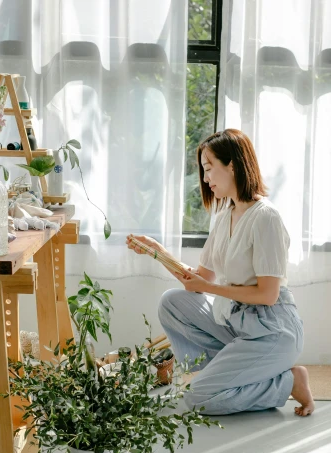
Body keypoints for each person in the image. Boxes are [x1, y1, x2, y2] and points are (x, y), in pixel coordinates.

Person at [126, 129, 314, 416]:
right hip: (235, 322)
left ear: (233, 166)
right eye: (203, 171)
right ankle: (234, 367)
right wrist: (158, 252)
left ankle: (288, 382)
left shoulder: (266, 218)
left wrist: (211, 288)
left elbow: (267, 294)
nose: (205, 179)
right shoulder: (225, 216)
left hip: (272, 330)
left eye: (209, 169)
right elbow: (200, 281)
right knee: (172, 301)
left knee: (199, 399)